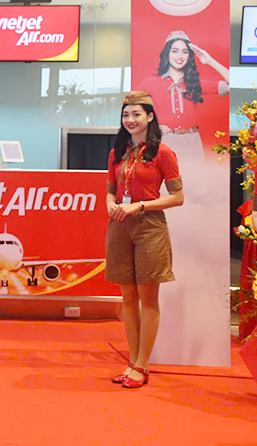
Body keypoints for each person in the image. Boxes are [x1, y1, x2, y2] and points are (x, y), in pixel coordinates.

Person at [105, 91, 183, 389]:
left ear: (149, 117)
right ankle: (131, 361)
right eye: (126, 115)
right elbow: (111, 189)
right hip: (119, 226)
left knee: (148, 298)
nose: (130, 120)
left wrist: (139, 206)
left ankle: (142, 364)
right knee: (127, 297)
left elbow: (178, 197)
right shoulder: (117, 152)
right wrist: (111, 204)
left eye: (136, 114)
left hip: (150, 226)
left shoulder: (163, 153)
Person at [137, 30, 229, 160]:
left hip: (192, 142)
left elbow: (232, 84)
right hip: (164, 141)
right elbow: (130, 109)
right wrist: (152, 127)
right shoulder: (150, 83)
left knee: (195, 180)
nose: (179, 56)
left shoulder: (194, 83)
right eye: (175, 51)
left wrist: (209, 61)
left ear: (189, 56)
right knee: (165, 180)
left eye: (184, 52)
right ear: (167, 53)